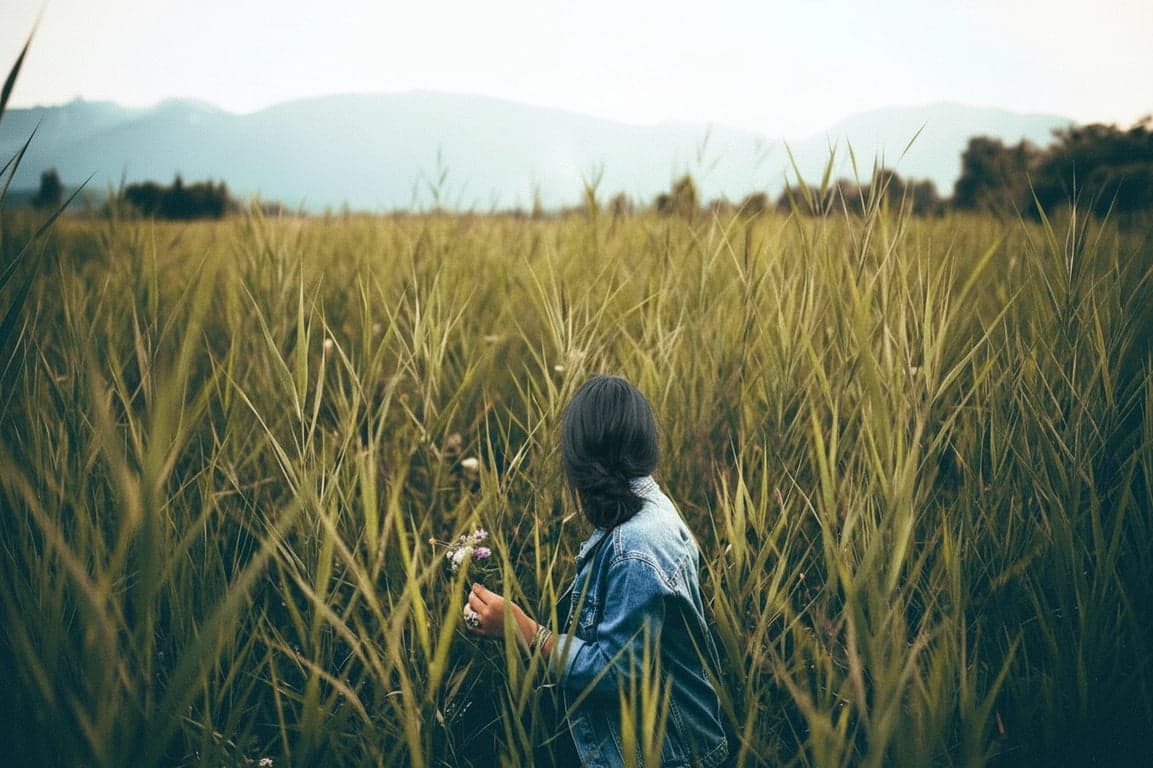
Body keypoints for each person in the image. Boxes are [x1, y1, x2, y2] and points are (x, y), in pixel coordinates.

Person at [464, 374, 730, 767]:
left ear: (577, 461)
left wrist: (523, 630)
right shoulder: (652, 509)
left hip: (670, 756)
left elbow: (617, 675)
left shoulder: (634, 546)